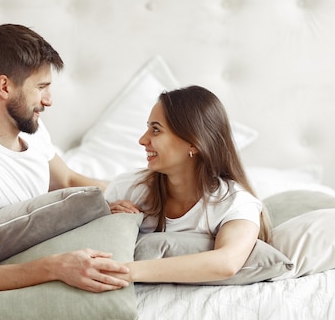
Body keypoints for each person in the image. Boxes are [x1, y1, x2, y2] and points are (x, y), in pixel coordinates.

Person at [0, 23, 129, 299]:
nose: (48, 100)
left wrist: (132, 193)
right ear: (4, 86)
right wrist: (58, 267)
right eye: (41, 87)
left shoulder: (33, 131)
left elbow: (67, 180)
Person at [105, 85, 272, 284]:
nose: (143, 140)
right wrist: (104, 217)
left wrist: (126, 271)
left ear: (193, 143)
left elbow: (226, 262)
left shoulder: (236, 204)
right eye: (147, 127)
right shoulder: (126, 189)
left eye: (156, 130)